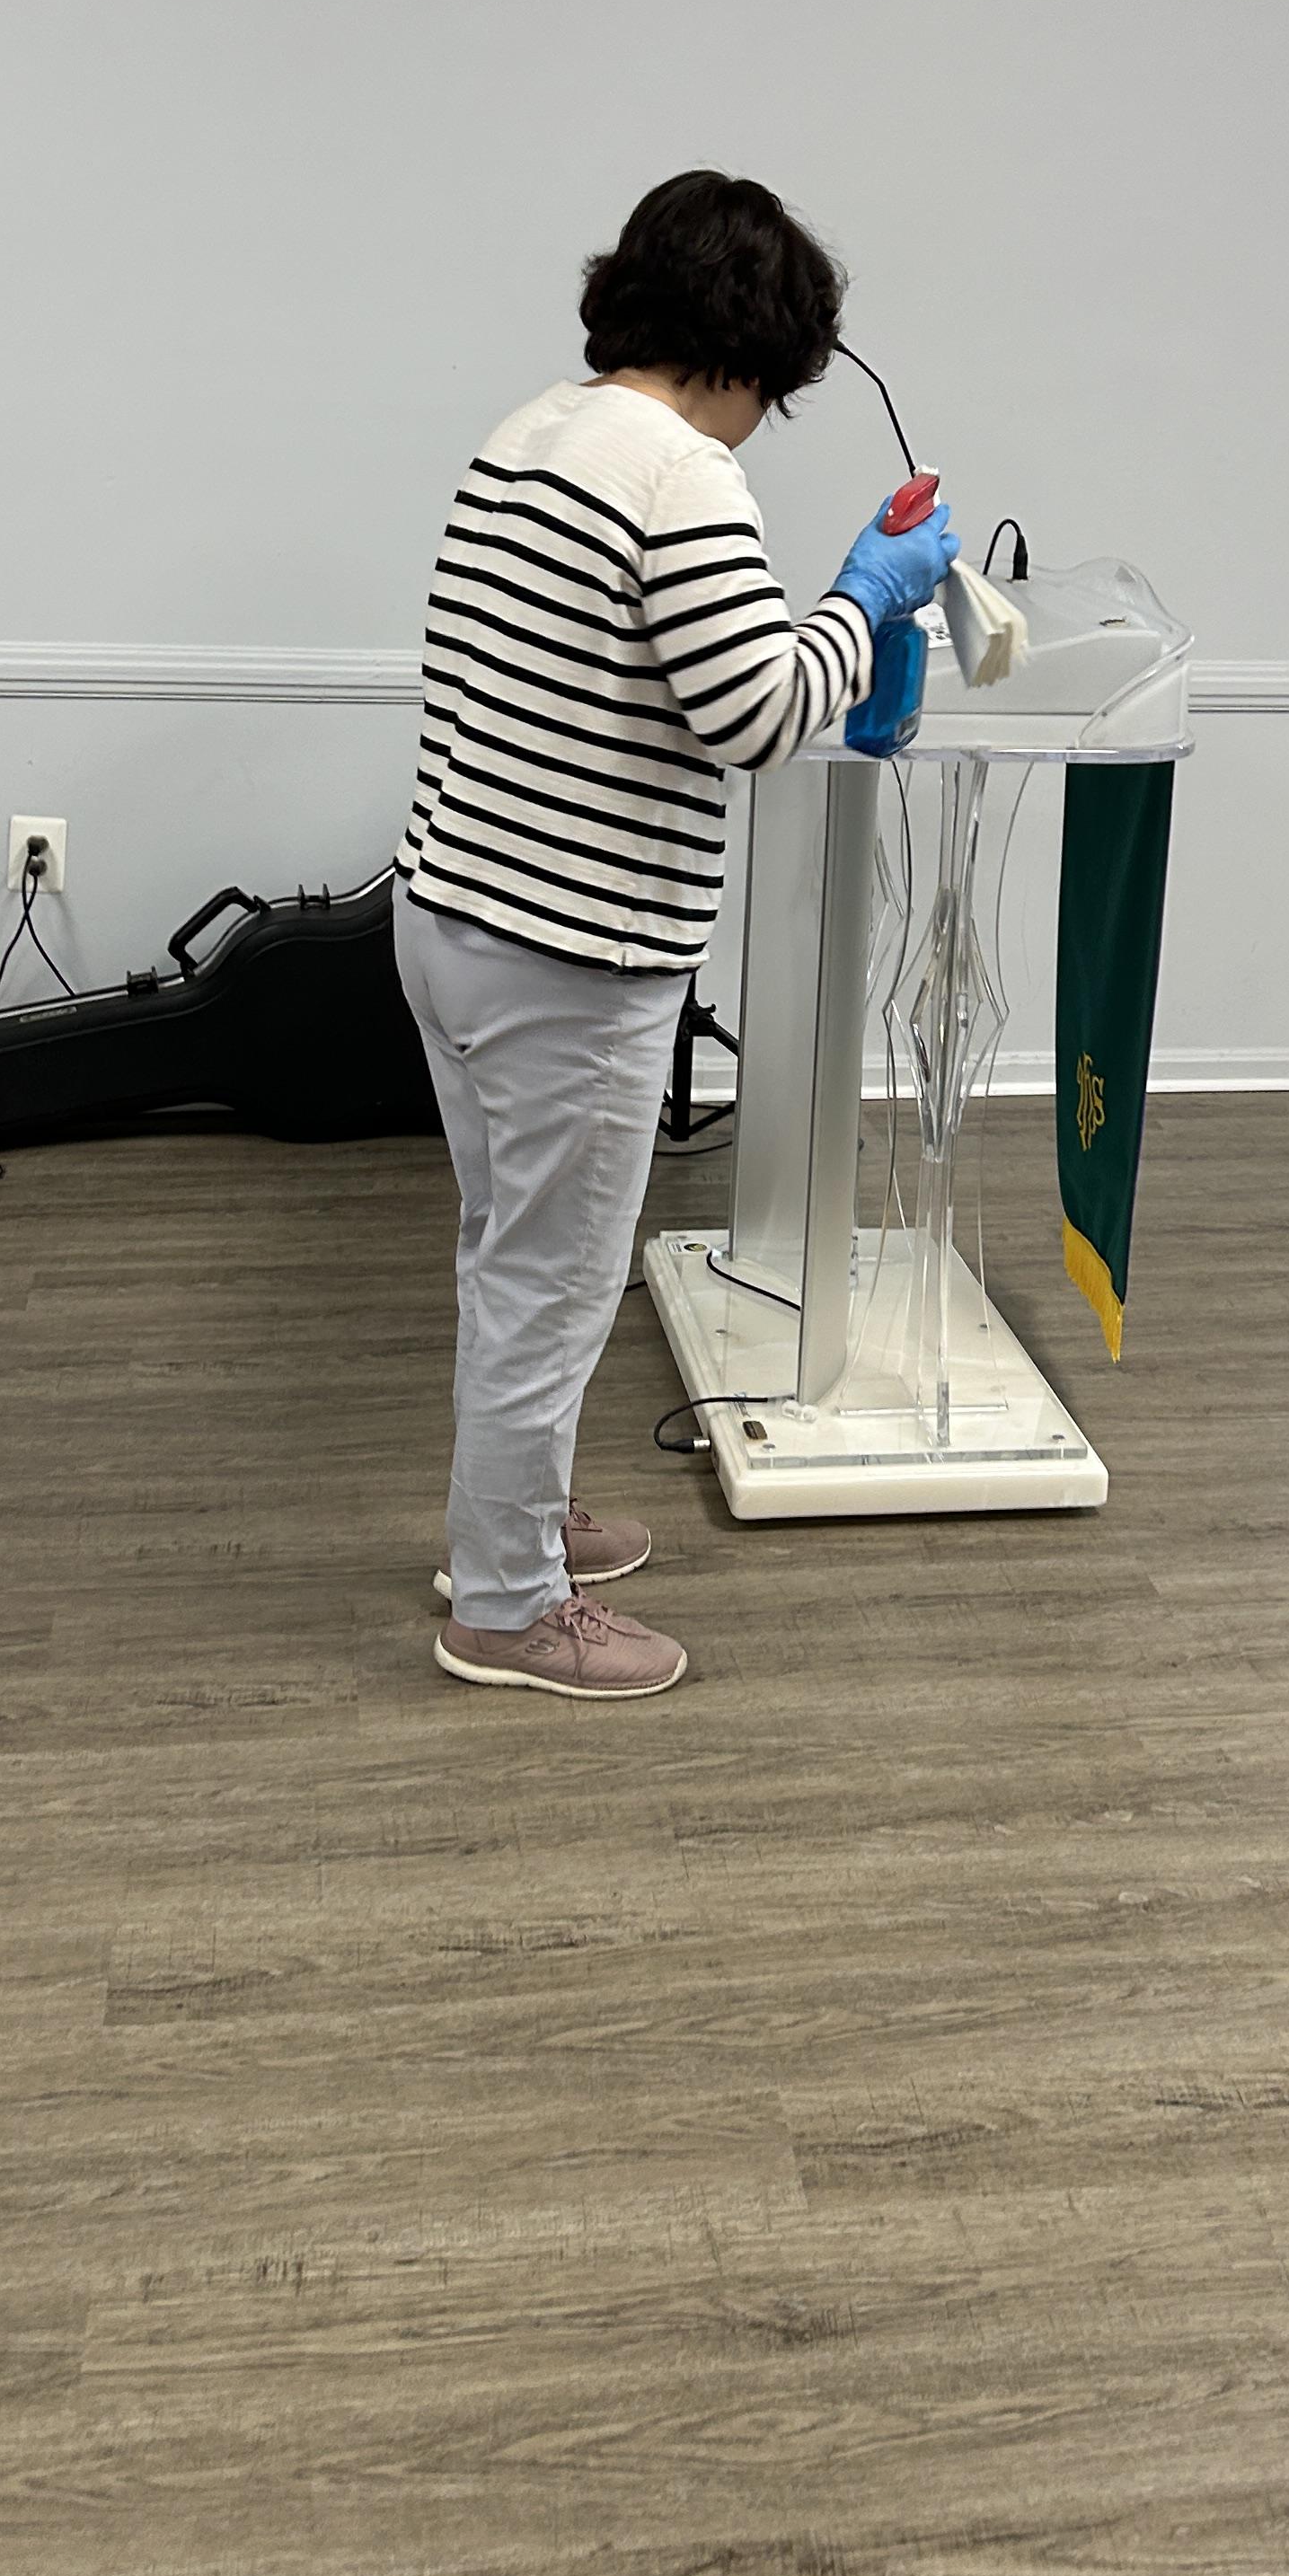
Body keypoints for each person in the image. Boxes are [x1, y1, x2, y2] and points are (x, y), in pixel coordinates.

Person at [393, 171, 958, 1699]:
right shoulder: (679, 474)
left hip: (452, 915)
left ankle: (515, 1524)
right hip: (568, 954)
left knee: (511, 1259)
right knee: (551, 1284)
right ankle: (506, 1608)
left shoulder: (531, 432)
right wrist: (866, 597)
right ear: (757, 345)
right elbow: (755, 716)